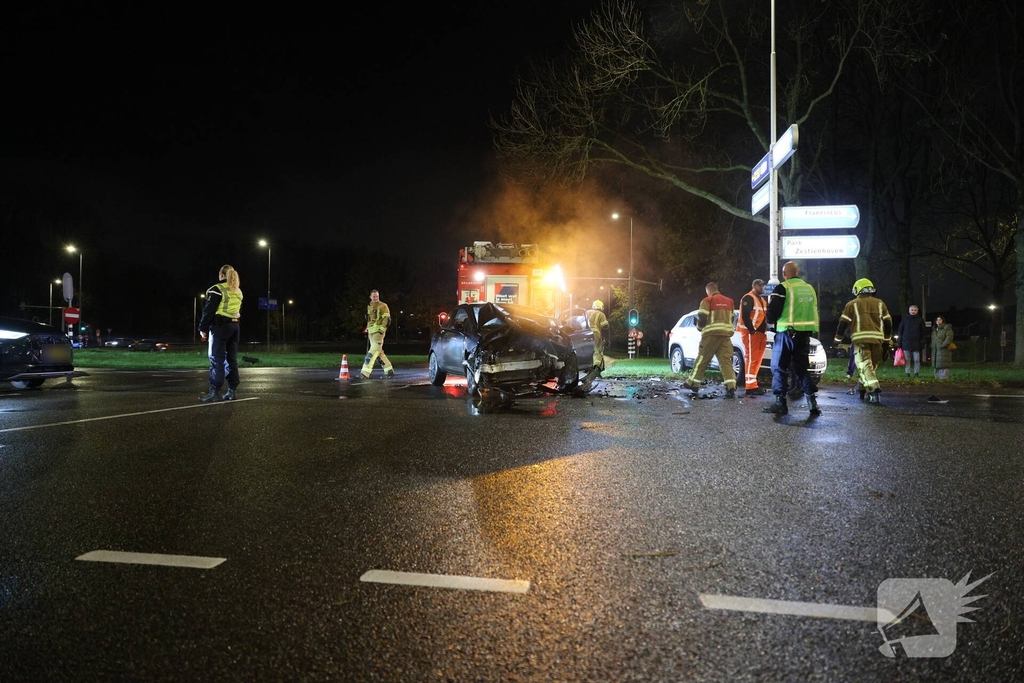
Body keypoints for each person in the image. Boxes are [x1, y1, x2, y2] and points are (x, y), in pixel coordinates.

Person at [763, 261, 820, 417]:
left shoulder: (783, 288)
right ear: (798, 272)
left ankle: (780, 403)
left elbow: (773, 312)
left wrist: (770, 321)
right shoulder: (810, 289)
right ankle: (812, 404)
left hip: (785, 335)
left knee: (778, 367)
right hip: (804, 335)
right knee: (802, 369)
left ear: (784, 273)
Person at [833, 278, 892, 405]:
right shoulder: (880, 303)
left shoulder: (852, 304)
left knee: (865, 366)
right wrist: (886, 343)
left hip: (861, 341)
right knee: (870, 368)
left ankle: (874, 390)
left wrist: (837, 340)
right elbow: (888, 324)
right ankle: (862, 388)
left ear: (858, 289)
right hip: (878, 341)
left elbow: (843, 324)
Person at [683, 282, 738, 399]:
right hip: (725, 336)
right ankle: (731, 386)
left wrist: (698, 326)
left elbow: (702, 318)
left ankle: (693, 383)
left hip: (711, 335)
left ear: (708, 291)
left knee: (702, 359)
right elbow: (732, 318)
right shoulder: (730, 301)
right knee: (725, 361)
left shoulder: (707, 301)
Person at [198, 264, 243, 402]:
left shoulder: (217, 289)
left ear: (221, 275)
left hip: (220, 327)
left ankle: (214, 392)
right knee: (231, 359)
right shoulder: (238, 291)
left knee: (216, 358)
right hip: (235, 326)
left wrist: (203, 328)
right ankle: (231, 390)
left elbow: (209, 311)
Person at [737, 278, 768, 395]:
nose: (762, 288)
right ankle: (750, 386)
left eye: (763, 286)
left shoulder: (761, 300)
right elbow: (745, 316)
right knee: (751, 359)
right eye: (760, 286)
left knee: (757, 359)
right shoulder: (748, 298)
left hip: (759, 333)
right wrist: (752, 330)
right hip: (751, 333)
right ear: (754, 286)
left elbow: (764, 316)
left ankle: (753, 384)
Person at [360, 289, 395, 379]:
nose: (376, 298)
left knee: (372, 352)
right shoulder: (370, 306)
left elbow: (387, 319)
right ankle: (389, 370)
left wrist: (381, 330)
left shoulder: (383, 306)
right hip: (371, 332)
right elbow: (370, 319)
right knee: (379, 352)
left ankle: (365, 373)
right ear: (370, 297)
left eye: (377, 296)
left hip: (378, 333)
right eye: (374, 296)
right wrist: (368, 328)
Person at [896, 304, 926, 378]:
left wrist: (923, 341)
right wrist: (899, 341)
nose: (913, 311)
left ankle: (916, 373)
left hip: (917, 343)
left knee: (916, 360)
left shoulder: (920, 320)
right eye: (912, 310)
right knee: (907, 359)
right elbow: (900, 330)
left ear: (917, 311)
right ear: (909, 311)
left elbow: (923, 331)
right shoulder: (905, 319)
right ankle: (907, 372)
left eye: (915, 310)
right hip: (906, 342)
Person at [586, 299, 610, 376]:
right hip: (595, 334)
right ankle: (597, 369)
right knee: (597, 352)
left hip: (585, 334)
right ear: (601, 307)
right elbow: (605, 326)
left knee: (587, 352)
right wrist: (606, 339)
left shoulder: (586, 312)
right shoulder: (601, 314)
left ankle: (587, 368)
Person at [931, 315, 954, 380]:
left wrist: (943, 345)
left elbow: (949, 337)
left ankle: (944, 378)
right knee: (937, 364)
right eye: (937, 320)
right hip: (936, 350)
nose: (938, 321)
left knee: (944, 363)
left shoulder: (947, 328)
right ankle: (937, 377)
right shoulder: (934, 330)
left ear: (943, 321)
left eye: (940, 320)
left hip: (944, 349)